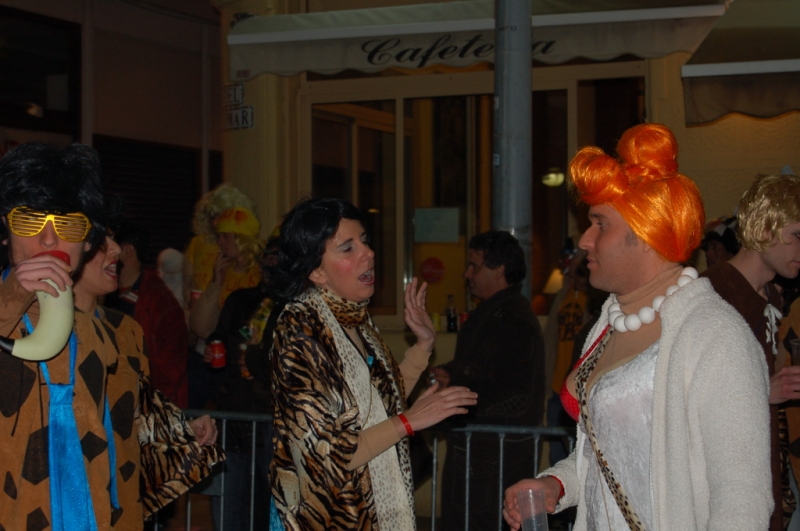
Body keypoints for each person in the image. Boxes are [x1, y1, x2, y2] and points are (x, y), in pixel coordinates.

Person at [503, 124, 772, 531]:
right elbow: (605, 456)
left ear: (647, 235)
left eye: (600, 224)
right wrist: (557, 484)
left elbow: (742, 498)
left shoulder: (716, 335)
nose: (586, 241)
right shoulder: (607, 325)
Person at [268, 197, 478, 530]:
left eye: (364, 241)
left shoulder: (355, 319)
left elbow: (380, 403)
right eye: (347, 248)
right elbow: (326, 456)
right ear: (316, 270)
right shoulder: (300, 330)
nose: (368, 253)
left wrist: (423, 346)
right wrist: (409, 422)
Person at [0, 143, 123, 530]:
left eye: (69, 226)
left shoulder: (102, 335)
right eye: (29, 222)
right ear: (4, 232)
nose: (50, 240)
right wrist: (12, 297)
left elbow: (126, 431)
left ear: (88, 243)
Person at [72, 232, 221, 529]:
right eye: (102, 243)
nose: (115, 251)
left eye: (114, 241)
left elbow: (134, 412)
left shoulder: (125, 329)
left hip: (120, 502)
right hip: (66, 498)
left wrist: (181, 433)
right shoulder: (35, 327)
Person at [702, 173, 800, 530]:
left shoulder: (773, 298)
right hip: (723, 490)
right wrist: (762, 393)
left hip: (765, 479)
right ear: (764, 229)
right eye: (796, 236)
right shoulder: (712, 293)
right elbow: (688, 394)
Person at [431, 230, 545, 531]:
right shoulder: (494, 313)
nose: (467, 273)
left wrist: (459, 395)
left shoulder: (512, 319)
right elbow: (480, 367)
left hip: (492, 462)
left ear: (499, 270)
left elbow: (516, 394)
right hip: (480, 457)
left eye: (475, 266)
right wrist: (448, 375)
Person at [201, 238, 283, 531]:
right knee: (231, 511)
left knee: (273, 512)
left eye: (279, 257)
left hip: (275, 428)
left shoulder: (297, 307)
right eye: (268, 257)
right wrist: (213, 350)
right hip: (235, 422)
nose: (271, 264)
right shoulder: (240, 300)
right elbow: (217, 339)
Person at [109, 221, 189, 408]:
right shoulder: (107, 294)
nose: (109, 252)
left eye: (114, 244)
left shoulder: (160, 301)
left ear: (128, 251)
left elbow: (169, 370)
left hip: (148, 406)